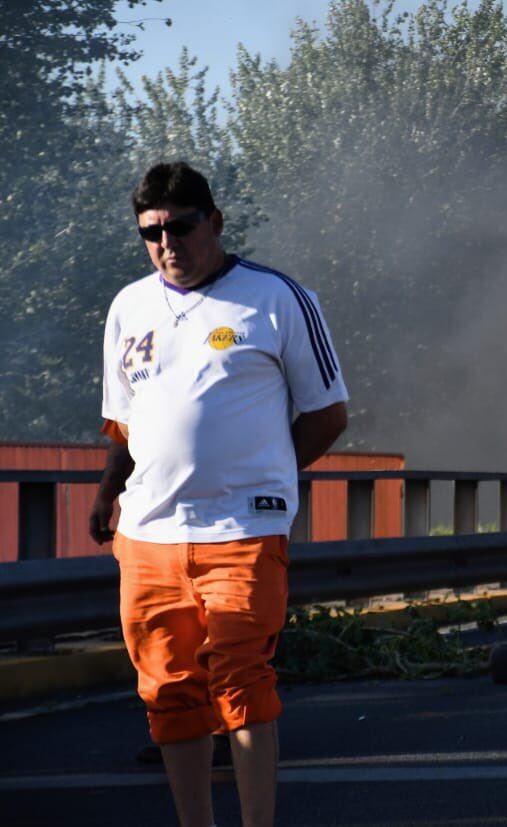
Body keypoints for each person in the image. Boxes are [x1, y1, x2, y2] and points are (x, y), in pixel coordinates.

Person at [90, 161, 349, 827]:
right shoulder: (128, 307)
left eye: (181, 226)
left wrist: (270, 476)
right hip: (148, 534)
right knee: (171, 691)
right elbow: (124, 422)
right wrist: (107, 493)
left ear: (216, 222)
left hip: (243, 530)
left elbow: (327, 414)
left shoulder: (277, 298)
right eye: (151, 232)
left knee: (240, 679)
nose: (167, 243)